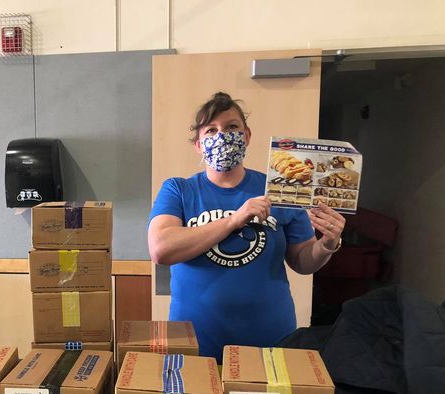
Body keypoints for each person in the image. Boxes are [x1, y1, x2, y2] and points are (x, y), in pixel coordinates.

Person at [148, 92, 345, 362]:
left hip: (270, 336)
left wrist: (326, 244)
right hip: (195, 338)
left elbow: (302, 262)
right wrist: (233, 220)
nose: (222, 136)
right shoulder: (179, 189)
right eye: (211, 130)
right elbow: (162, 249)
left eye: (232, 127)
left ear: (247, 135)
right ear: (198, 144)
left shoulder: (282, 189)